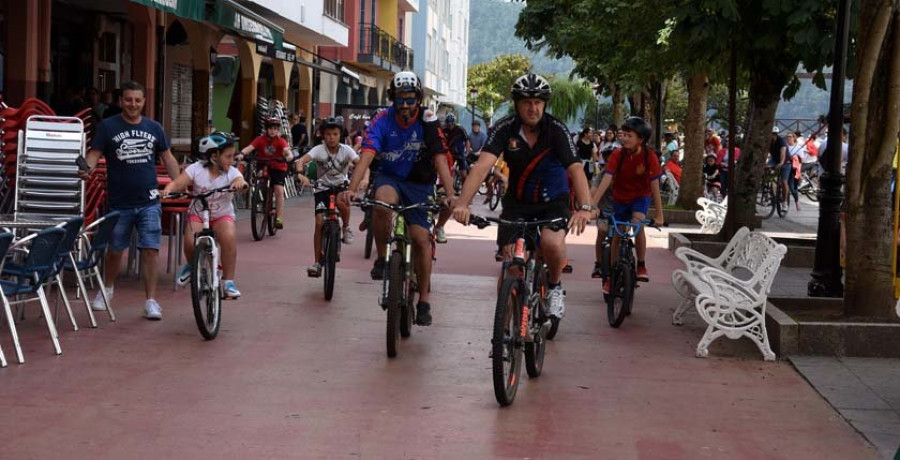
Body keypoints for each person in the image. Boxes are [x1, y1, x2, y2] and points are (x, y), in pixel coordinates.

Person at [452, 73, 593, 320]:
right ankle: (503, 337)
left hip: (553, 202)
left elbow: (576, 169)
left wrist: (584, 207)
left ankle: (554, 286)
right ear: (516, 104)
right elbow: (483, 166)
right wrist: (463, 203)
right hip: (517, 204)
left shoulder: (556, 129)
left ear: (545, 104)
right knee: (511, 266)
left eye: (538, 102)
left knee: (550, 243)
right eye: (527, 102)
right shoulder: (504, 129)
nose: (533, 107)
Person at [340, 71, 454, 327]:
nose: (405, 105)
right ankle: (382, 258)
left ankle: (424, 300)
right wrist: (352, 188)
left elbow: (439, 157)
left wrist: (450, 193)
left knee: (421, 239)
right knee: (381, 204)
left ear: (418, 99)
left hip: (420, 184)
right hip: (390, 178)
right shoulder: (382, 118)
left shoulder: (427, 120)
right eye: (400, 99)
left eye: (410, 99)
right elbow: (368, 154)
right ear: (393, 98)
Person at [78, 81, 181, 320]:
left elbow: (168, 158)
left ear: (144, 102)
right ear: (120, 101)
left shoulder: (154, 128)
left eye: (137, 100)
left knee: (151, 250)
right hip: (118, 202)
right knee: (114, 250)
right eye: (128, 99)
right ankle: (107, 290)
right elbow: (94, 154)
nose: (133, 104)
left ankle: (151, 301)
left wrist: (180, 184)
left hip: (149, 201)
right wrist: (87, 169)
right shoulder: (107, 126)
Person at [165, 132, 247, 298]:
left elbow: (240, 180)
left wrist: (241, 184)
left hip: (221, 215)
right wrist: (168, 189)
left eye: (233, 156)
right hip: (198, 214)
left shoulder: (232, 172)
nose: (232, 160)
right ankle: (191, 264)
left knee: (229, 237)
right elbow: (179, 183)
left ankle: (228, 281)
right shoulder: (195, 169)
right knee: (190, 241)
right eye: (228, 156)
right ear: (214, 156)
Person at [589, 116, 665, 294]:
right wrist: (592, 205)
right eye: (623, 135)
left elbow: (655, 188)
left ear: (641, 139)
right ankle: (612, 274)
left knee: (638, 224)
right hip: (620, 198)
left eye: (629, 135)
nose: (624, 138)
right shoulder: (617, 154)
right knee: (618, 232)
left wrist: (660, 215)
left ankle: (641, 265)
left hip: (640, 197)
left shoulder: (650, 157)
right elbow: (606, 180)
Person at [294, 117, 360, 277]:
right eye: (328, 134)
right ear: (323, 135)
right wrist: (300, 174)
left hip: (341, 186)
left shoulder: (346, 150)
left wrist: (363, 178)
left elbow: (360, 163)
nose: (331, 137)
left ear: (341, 135)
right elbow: (300, 161)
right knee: (319, 222)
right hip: (321, 188)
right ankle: (317, 262)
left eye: (335, 134)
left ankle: (345, 227)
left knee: (341, 202)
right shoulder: (319, 149)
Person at [240, 117, 293, 229]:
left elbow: (286, 151)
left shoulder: (280, 141)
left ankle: (279, 217)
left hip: (278, 166)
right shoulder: (260, 139)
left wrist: (288, 156)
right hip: (263, 164)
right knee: (260, 179)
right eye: (270, 128)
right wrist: (241, 154)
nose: (272, 131)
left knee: (278, 190)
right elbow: (250, 147)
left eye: (275, 128)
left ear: (278, 130)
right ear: (266, 129)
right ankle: (264, 201)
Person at [433, 113, 470, 244]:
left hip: (458, 156)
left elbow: (445, 176)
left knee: (450, 200)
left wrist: (449, 194)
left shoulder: (460, 130)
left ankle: (440, 226)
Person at [768, 127, 790, 206]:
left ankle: (784, 202)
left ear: (774, 135)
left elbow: (783, 153)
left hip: (786, 162)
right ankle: (771, 195)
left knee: (783, 181)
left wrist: (781, 163)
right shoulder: (769, 142)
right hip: (774, 159)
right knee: (768, 174)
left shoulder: (781, 141)